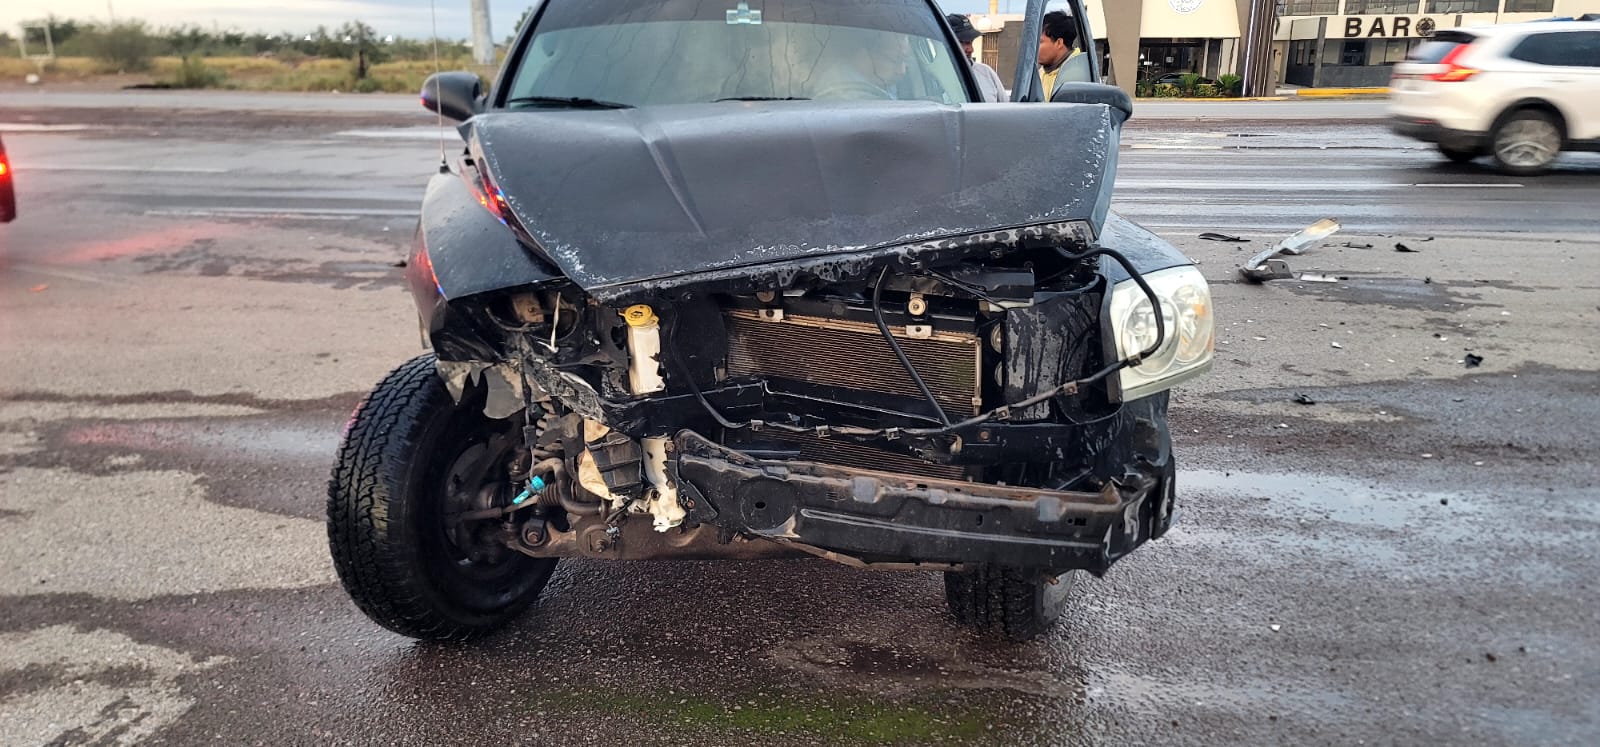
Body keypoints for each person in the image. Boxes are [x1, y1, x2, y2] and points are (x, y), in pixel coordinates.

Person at [811, 31, 910, 101]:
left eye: (905, 60)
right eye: (895, 60)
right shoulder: (844, 98)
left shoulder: (879, 83)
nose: (902, 71)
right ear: (863, 55)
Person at [946, 14, 1006, 103]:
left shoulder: (987, 72)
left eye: (970, 42)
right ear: (946, 42)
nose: (971, 49)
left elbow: (1005, 108)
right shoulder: (935, 80)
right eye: (963, 42)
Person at [1038, 10, 1085, 102]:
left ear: (1059, 43)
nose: (1035, 47)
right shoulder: (1042, 72)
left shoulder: (1076, 77)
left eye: (1040, 42)